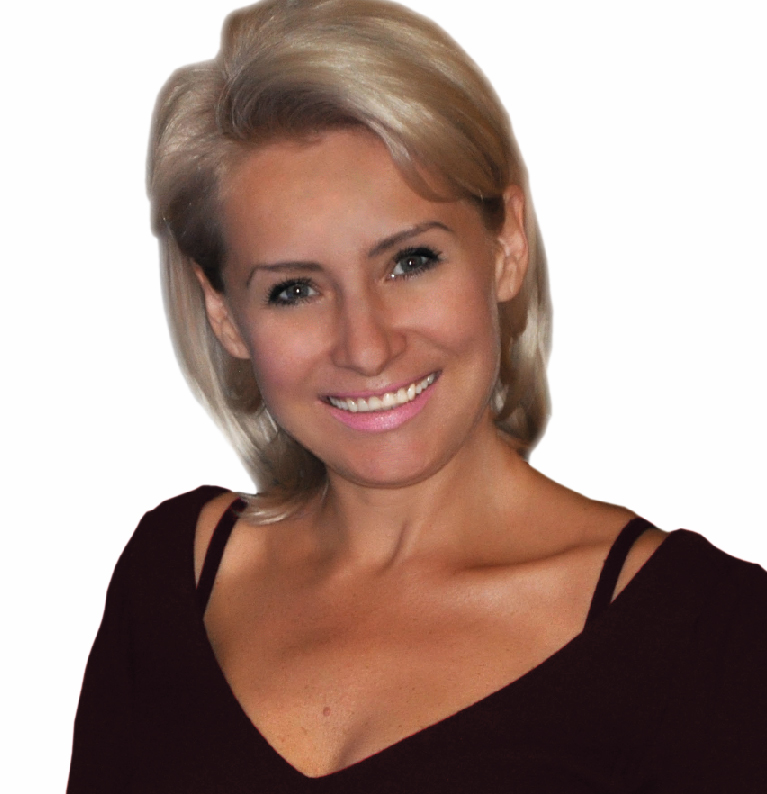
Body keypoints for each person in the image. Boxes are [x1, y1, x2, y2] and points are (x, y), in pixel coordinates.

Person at [67, 0, 767, 790]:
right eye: (294, 289)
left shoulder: (713, 635)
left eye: (409, 262)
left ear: (505, 244)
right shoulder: (170, 580)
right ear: (225, 313)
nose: (365, 347)